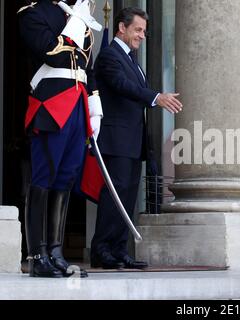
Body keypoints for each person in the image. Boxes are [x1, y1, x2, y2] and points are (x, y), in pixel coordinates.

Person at [90, 7, 183, 270]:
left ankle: (119, 249)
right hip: (116, 140)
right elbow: (122, 86)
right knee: (114, 196)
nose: (142, 36)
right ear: (122, 28)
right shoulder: (110, 56)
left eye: (144, 31)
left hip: (132, 141)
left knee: (128, 196)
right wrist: (156, 97)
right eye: (138, 30)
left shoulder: (132, 59)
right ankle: (102, 249)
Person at [18, 0, 103, 278]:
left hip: (77, 104)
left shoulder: (75, 15)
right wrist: (77, 20)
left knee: (66, 178)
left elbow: (87, 68)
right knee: (44, 177)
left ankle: (55, 251)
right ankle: (36, 254)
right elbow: (52, 53)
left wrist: (94, 108)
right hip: (51, 103)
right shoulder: (32, 13)